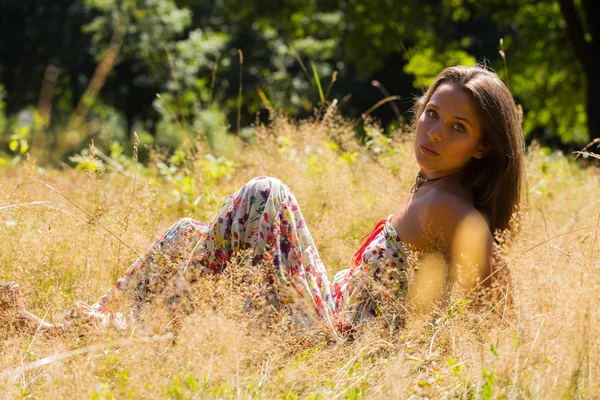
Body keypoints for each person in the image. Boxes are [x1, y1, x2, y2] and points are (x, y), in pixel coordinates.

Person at [2, 65, 525, 339]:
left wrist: (437, 355)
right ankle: (74, 327)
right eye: (433, 113)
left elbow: (497, 298)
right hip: (326, 311)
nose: (434, 132)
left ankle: (143, 331)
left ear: (482, 146)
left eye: (457, 127)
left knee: (266, 193)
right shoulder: (434, 188)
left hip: (329, 338)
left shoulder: (450, 206)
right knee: (189, 232)